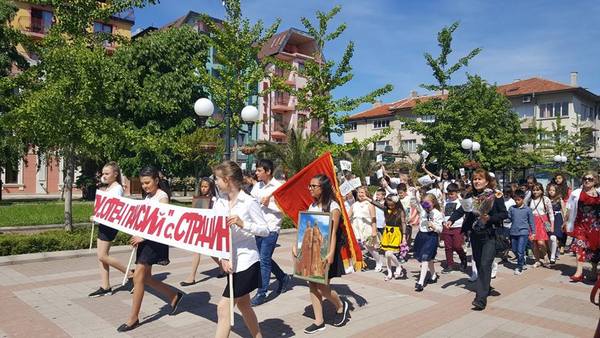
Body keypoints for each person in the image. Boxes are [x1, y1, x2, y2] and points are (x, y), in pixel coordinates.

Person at [117, 166, 184, 332]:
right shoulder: (147, 196)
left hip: (154, 241)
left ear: (156, 180)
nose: (145, 186)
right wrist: (135, 232)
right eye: (142, 183)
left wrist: (143, 237)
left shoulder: (162, 197)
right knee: (145, 278)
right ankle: (174, 295)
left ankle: (133, 318)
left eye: (147, 182)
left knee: (139, 275)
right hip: (144, 241)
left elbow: (162, 222)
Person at [213, 161, 270, 338]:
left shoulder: (248, 201)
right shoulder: (219, 201)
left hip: (246, 261)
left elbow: (265, 230)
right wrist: (222, 257)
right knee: (244, 304)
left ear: (227, 179)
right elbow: (216, 232)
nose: (215, 182)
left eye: (217, 178)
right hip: (230, 262)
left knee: (223, 308)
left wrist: (243, 223)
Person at [297, 174, 350, 334]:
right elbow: (304, 228)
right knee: (312, 284)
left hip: (326, 251)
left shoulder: (333, 207)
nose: (310, 189)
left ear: (323, 188)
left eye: (314, 186)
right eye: (310, 186)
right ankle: (319, 321)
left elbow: (333, 233)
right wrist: (297, 247)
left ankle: (341, 305)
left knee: (322, 286)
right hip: (310, 251)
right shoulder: (312, 205)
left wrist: (331, 253)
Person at [448, 169, 507, 310]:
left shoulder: (495, 195)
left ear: (486, 181)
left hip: (490, 235)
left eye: (480, 179)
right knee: (480, 264)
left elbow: (504, 214)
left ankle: (480, 299)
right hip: (475, 235)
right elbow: (462, 210)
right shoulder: (470, 195)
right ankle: (485, 286)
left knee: (486, 263)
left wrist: (490, 218)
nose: (477, 181)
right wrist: (451, 219)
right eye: (475, 179)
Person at [249, 159, 291, 306]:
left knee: (264, 260)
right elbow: (250, 203)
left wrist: (270, 204)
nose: (256, 173)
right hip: (258, 228)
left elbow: (286, 209)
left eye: (259, 170)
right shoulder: (257, 187)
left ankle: (262, 292)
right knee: (263, 259)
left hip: (271, 229)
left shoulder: (279, 187)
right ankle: (284, 278)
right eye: (257, 170)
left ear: (268, 171)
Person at [89, 161, 131, 297]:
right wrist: (96, 216)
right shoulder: (107, 188)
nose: (104, 176)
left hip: (110, 225)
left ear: (115, 174)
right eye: (103, 173)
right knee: (100, 257)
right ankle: (105, 286)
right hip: (103, 223)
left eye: (107, 173)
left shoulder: (117, 188)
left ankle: (131, 273)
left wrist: (100, 216)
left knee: (103, 256)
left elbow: (114, 209)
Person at [181, 177, 219, 286]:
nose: (203, 188)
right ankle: (222, 268)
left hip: (209, 228)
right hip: (200, 227)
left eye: (206, 186)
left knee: (208, 251)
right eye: (202, 186)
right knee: (201, 250)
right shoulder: (199, 198)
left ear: (211, 187)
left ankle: (192, 277)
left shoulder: (214, 200)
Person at [566, 171, 600, 282]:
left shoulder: (599, 193)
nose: (587, 181)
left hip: (595, 226)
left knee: (594, 249)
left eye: (590, 179)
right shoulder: (576, 193)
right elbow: (570, 207)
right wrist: (566, 221)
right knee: (579, 246)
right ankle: (579, 272)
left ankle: (594, 271)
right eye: (585, 178)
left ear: (595, 180)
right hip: (580, 225)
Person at [368, 193, 407, 280]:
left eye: (392, 205)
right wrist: (368, 198)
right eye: (388, 205)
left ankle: (398, 266)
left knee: (389, 253)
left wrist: (404, 235)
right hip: (387, 232)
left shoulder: (400, 211)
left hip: (396, 233)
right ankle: (389, 273)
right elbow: (377, 204)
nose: (390, 206)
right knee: (386, 254)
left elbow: (404, 223)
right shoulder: (386, 209)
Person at [413, 193, 443, 291]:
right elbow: (416, 202)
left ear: (433, 203)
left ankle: (421, 282)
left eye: (428, 202)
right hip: (422, 236)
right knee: (429, 259)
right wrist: (414, 194)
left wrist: (434, 226)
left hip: (431, 237)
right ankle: (433, 276)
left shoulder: (437, 213)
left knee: (425, 258)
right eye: (424, 202)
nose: (426, 204)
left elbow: (440, 229)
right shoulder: (423, 211)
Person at [349, 186, 382, 271]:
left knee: (370, 247)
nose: (360, 194)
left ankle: (378, 262)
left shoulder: (370, 204)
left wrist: (374, 230)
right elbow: (348, 216)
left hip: (367, 228)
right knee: (356, 247)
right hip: (356, 228)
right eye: (359, 192)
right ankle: (356, 264)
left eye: (362, 192)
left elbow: (373, 218)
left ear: (366, 194)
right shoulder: (354, 205)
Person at [441, 183, 467, 273]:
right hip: (447, 227)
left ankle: (463, 259)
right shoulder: (446, 202)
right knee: (448, 247)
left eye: (452, 193)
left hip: (458, 227)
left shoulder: (461, 201)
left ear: (457, 193)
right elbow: (443, 213)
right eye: (449, 194)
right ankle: (449, 264)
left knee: (457, 246)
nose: (450, 196)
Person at [508, 189, 535, 275]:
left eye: (518, 199)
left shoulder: (528, 209)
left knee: (520, 250)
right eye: (515, 199)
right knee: (514, 249)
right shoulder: (512, 208)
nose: (517, 201)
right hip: (513, 232)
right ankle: (522, 261)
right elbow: (509, 218)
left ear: (523, 199)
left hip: (523, 232)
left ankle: (519, 267)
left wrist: (533, 232)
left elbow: (531, 222)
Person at [528, 183, 554, 267]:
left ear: (542, 190)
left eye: (537, 190)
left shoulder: (545, 199)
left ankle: (546, 256)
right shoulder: (530, 199)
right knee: (534, 243)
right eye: (534, 190)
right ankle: (537, 260)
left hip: (542, 221)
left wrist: (552, 225)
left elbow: (550, 213)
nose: (535, 192)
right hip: (532, 221)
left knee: (541, 242)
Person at [547, 183, 566, 263]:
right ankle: (553, 252)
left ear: (556, 191)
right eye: (550, 190)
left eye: (553, 190)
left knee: (553, 238)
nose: (551, 192)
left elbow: (564, 211)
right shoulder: (545, 199)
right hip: (548, 219)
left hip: (557, 219)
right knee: (549, 238)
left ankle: (552, 257)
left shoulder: (559, 199)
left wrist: (565, 222)